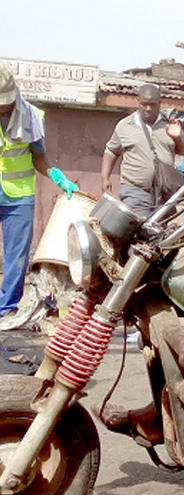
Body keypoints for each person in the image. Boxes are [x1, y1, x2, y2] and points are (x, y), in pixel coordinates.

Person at [0, 67, 78, 318]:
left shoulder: (31, 116)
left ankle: (6, 308)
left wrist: (59, 178)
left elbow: (39, 157)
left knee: (17, 255)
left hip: (19, 195)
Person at [101, 83, 184, 218]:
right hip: (134, 190)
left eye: (152, 105)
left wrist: (177, 138)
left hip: (164, 194)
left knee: (160, 232)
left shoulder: (170, 124)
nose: (148, 109)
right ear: (138, 102)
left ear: (160, 103)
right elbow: (111, 151)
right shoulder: (125, 126)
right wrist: (105, 178)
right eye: (144, 104)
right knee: (142, 228)